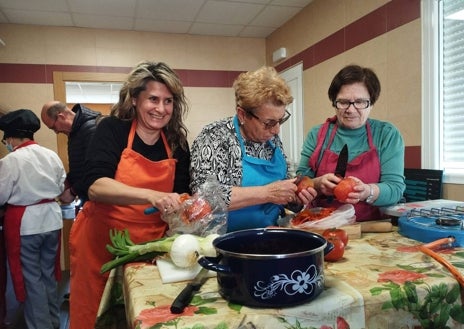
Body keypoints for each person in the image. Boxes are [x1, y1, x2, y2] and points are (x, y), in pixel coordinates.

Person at [68, 61, 191, 329]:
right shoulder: (112, 129)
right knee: (93, 318)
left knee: (142, 317)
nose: (161, 109)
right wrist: (151, 195)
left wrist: (180, 208)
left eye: (168, 101)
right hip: (100, 246)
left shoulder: (177, 143)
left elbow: (182, 193)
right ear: (135, 99)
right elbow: (95, 186)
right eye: (153, 99)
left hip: (147, 251)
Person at [190, 66, 317, 232]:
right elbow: (206, 198)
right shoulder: (214, 137)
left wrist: (295, 198)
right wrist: (266, 193)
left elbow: (283, 190)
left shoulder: (272, 139)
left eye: (280, 120)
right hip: (224, 241)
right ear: (242, 115)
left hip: (269, 234)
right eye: (269, 123)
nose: (276, 130)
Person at [296, 64, 405, 221]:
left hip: (370, 228)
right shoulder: (317, 135)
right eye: (343, 102)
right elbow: (301, 182)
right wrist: (317, 184)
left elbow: (395, 189)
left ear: (371, 102)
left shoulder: (387, 134)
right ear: (334, 102)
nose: (351, 109)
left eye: (360, 102)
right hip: (321, 224)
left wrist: (367, 191)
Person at [0, 109, 66, 329]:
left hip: (26, 225)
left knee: (31, 281)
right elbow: (60, 187)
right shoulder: (51, 155)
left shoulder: (11, 160)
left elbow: (1, 195)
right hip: (52, 221)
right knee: (49, 274)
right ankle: (54, 322)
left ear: (10, 136)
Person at [41, 101, 102, 204]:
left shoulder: (91, 129)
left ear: (61, 116)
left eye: (53, 127)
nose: (56, 132)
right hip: (89, 197)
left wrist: (73, 191)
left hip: (97, 199)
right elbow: (80, 166)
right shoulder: (75, 132)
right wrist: (67, 182)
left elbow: (96, 171)